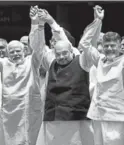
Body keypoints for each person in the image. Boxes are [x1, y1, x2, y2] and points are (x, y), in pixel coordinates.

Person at [35, 6, 96, 145]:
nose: (61, 56)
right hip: (53, 116)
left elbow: (61, 37)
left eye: (65, 53)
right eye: (58, 54)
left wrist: (51, 21)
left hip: (76, 117)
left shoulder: (81, 61)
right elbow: (38, 48)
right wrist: (39, 25)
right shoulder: (50, 62)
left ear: (71, 51)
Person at [0, 6, 43, 145]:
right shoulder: (3, 63)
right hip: (10, 111)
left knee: (29, 139)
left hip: (29, 108)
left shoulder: (32, 61)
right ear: (8, 53)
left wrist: (35, 23)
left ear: (24, 51)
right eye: (12, 52)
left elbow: (38, 46)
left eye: (18, 51)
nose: (15, 54)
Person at [79, 5, 124, 145]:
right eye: (106, 45)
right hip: (98, 114)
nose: (109, 48)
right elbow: (84, 43)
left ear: (119, 46)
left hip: (117, 116)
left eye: (113, 45)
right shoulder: (99, 60)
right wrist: (97, 21)